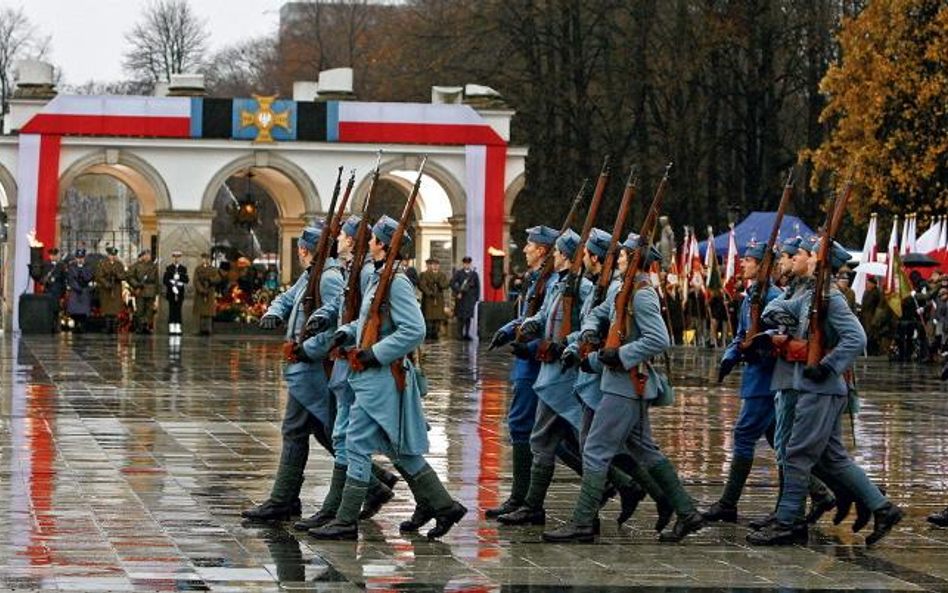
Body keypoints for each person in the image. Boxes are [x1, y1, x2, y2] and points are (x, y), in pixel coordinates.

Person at [310, 215, 466, 541]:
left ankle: (346, 520)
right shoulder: (379, 277)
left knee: (356, 443)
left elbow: (415, 329)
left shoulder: (395, 281)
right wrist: (345, 333)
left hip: (381, 378)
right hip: (370, 379)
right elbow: (370, 322)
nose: (367, 242)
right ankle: (444, 505)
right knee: (399, 450)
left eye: (373, 239)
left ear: (382, 244)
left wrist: (376, 353)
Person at [543, 233, 704, 544]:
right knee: (644, 449)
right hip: (619, 383)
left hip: (626, 384)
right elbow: (599, 313)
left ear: (633, 259)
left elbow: (659, 340)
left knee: (595, 450)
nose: (617, 258)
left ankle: (582, 522)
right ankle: (687, 512)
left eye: (623, 255)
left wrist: (620, 355)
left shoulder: (642, 294)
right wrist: (587, 335)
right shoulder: (621, 287)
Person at [748, 240, 902, 546]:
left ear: (820, 261)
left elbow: (856, 338)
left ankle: (788, 520)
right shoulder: (810, 295)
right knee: (832, 459)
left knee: (797, 453)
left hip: (820, 387)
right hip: (813, 385)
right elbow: (780, 309)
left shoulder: (831, 297)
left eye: (808, 254)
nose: (796, 259)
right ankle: (882, 508)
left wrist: (828, 365)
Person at [292, 215, 398, 533]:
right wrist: (327, 322)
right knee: (342, 437)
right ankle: (338, 510)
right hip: (346, 366)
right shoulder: (357, 272)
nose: (337, 240)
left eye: (342, 236)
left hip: (361, 367)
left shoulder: (368, 274)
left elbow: (392, 325)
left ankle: (433, 503)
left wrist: (368, 350)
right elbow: (347, 310)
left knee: (389, 446)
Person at [242, 227, 348, 523]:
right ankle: (375, 486)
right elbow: (287, 298)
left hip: (312, 370)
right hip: (303, 369)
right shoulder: (312, 274)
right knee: (319, 430)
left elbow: (334, 322)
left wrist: (308, 350)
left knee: (298, 429)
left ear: (303, 250)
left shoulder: (327, 278)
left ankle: (283, 500)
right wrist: (273, 312)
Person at [486, 225, 582, 520]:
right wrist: (508, 329)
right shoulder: (538, 279)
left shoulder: (555, 281)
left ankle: (523, 499)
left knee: (526, 428)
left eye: (529, 245)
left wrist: (531, 346)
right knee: (553, 433)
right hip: (527, 360)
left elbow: (559, 326)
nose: (525, 249)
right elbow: (529, 316)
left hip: (536, 362)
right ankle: (522, 498)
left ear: (542, 250)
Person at [28, 247, 67, 330]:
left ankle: (56, 326)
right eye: (51, 255)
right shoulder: (45, 265)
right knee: (48, 308)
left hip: (57, 290)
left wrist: (63, 293)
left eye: (54, 255)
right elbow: (41, 277)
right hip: (48, 290)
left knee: (56, 309)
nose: (52, 257)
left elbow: (64, 279)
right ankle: (49, 326)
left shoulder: (61, 265)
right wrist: (44, 281)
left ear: (57, 255)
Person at [95, 247, 126, 334]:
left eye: (114, 255)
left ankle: (114, 327)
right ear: (108, 255)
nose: (112, 256)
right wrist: (106, 283)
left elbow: (124, 276)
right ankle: (107, 327)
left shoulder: (119, 264)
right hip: (106, 289)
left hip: (116, 288)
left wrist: (117, 275)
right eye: (111, 255)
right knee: (107, 309)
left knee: (115, 309)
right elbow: (98, 276)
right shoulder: (102, 264)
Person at [127, 249, 159, 334]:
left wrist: (156, 291)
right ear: (143, 256)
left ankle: (146, 326)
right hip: (140, 290)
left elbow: (156, 279)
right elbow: (129, 276)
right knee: (140, 310)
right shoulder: (136, 266)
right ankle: (140, 327)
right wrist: (136, 285)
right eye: (146, 254)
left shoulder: (153, 266)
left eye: (149, 254)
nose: (148, 256)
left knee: (149, 310)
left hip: (151, 289)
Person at [418, 258, 449, 340]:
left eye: (437, 265)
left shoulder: (442, 275)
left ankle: (436, 333)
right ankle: (428, 334)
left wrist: (440, 284)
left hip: (439, 299)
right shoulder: (426, 274)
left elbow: (446, 284)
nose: (435, 266)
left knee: (437, 318)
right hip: (429, 299)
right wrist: (429, 293)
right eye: (433, 265)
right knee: (429, 318)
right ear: (431, 266)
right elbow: (422, 285)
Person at [451, 256, 480, 340]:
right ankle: (459, 334)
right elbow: (452, 283)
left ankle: (467, 334)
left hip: (470, 298)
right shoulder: (458, 273)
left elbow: (477, 287)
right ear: (463, 264)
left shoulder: (474, 274)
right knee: (460, 317)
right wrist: (458, 290)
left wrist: (476, 298)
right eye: (465, 263)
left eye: (468, 263)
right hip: (461, 298)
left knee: (468, 317)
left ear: (470, 264)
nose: (467, 265)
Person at [65, 248, 94, 332]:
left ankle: (82, 325)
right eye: (78, 257)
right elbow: (70, 279)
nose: (80, 259)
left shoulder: (88, 266)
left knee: (84, 310)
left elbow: (89, 277)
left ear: (84, 258)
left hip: (84, 290)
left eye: (81, 258)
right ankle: (76, 325)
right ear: (75, 258)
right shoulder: (71, 267)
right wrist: (77, 287)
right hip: (75, 290)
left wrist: (82, 271)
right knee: (74, 310)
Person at [193, 254, 221, 336]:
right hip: (200, 293)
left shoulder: (213, 269)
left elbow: (218, 278)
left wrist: (210, 280)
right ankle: (201, 329)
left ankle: (208, 330)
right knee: (201, 312)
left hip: (210, 292)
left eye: (207, 258)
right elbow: (195, 280)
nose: (205, 260)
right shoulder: (198, 269)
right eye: (204, 258)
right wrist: (201, 289)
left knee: (208, 313)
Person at [163, 250, 189, 336]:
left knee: (178, 309)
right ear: (173, 257)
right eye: (175, 257)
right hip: (171, 292)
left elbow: (186, 280)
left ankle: (178, 326)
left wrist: (180, 277)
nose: (176, 258)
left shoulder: (183, 268)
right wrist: (172, 286)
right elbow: (165, 280)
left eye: (178, 257)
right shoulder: (169, 268)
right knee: (172, 309)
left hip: (180, 292)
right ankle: (171, 326)